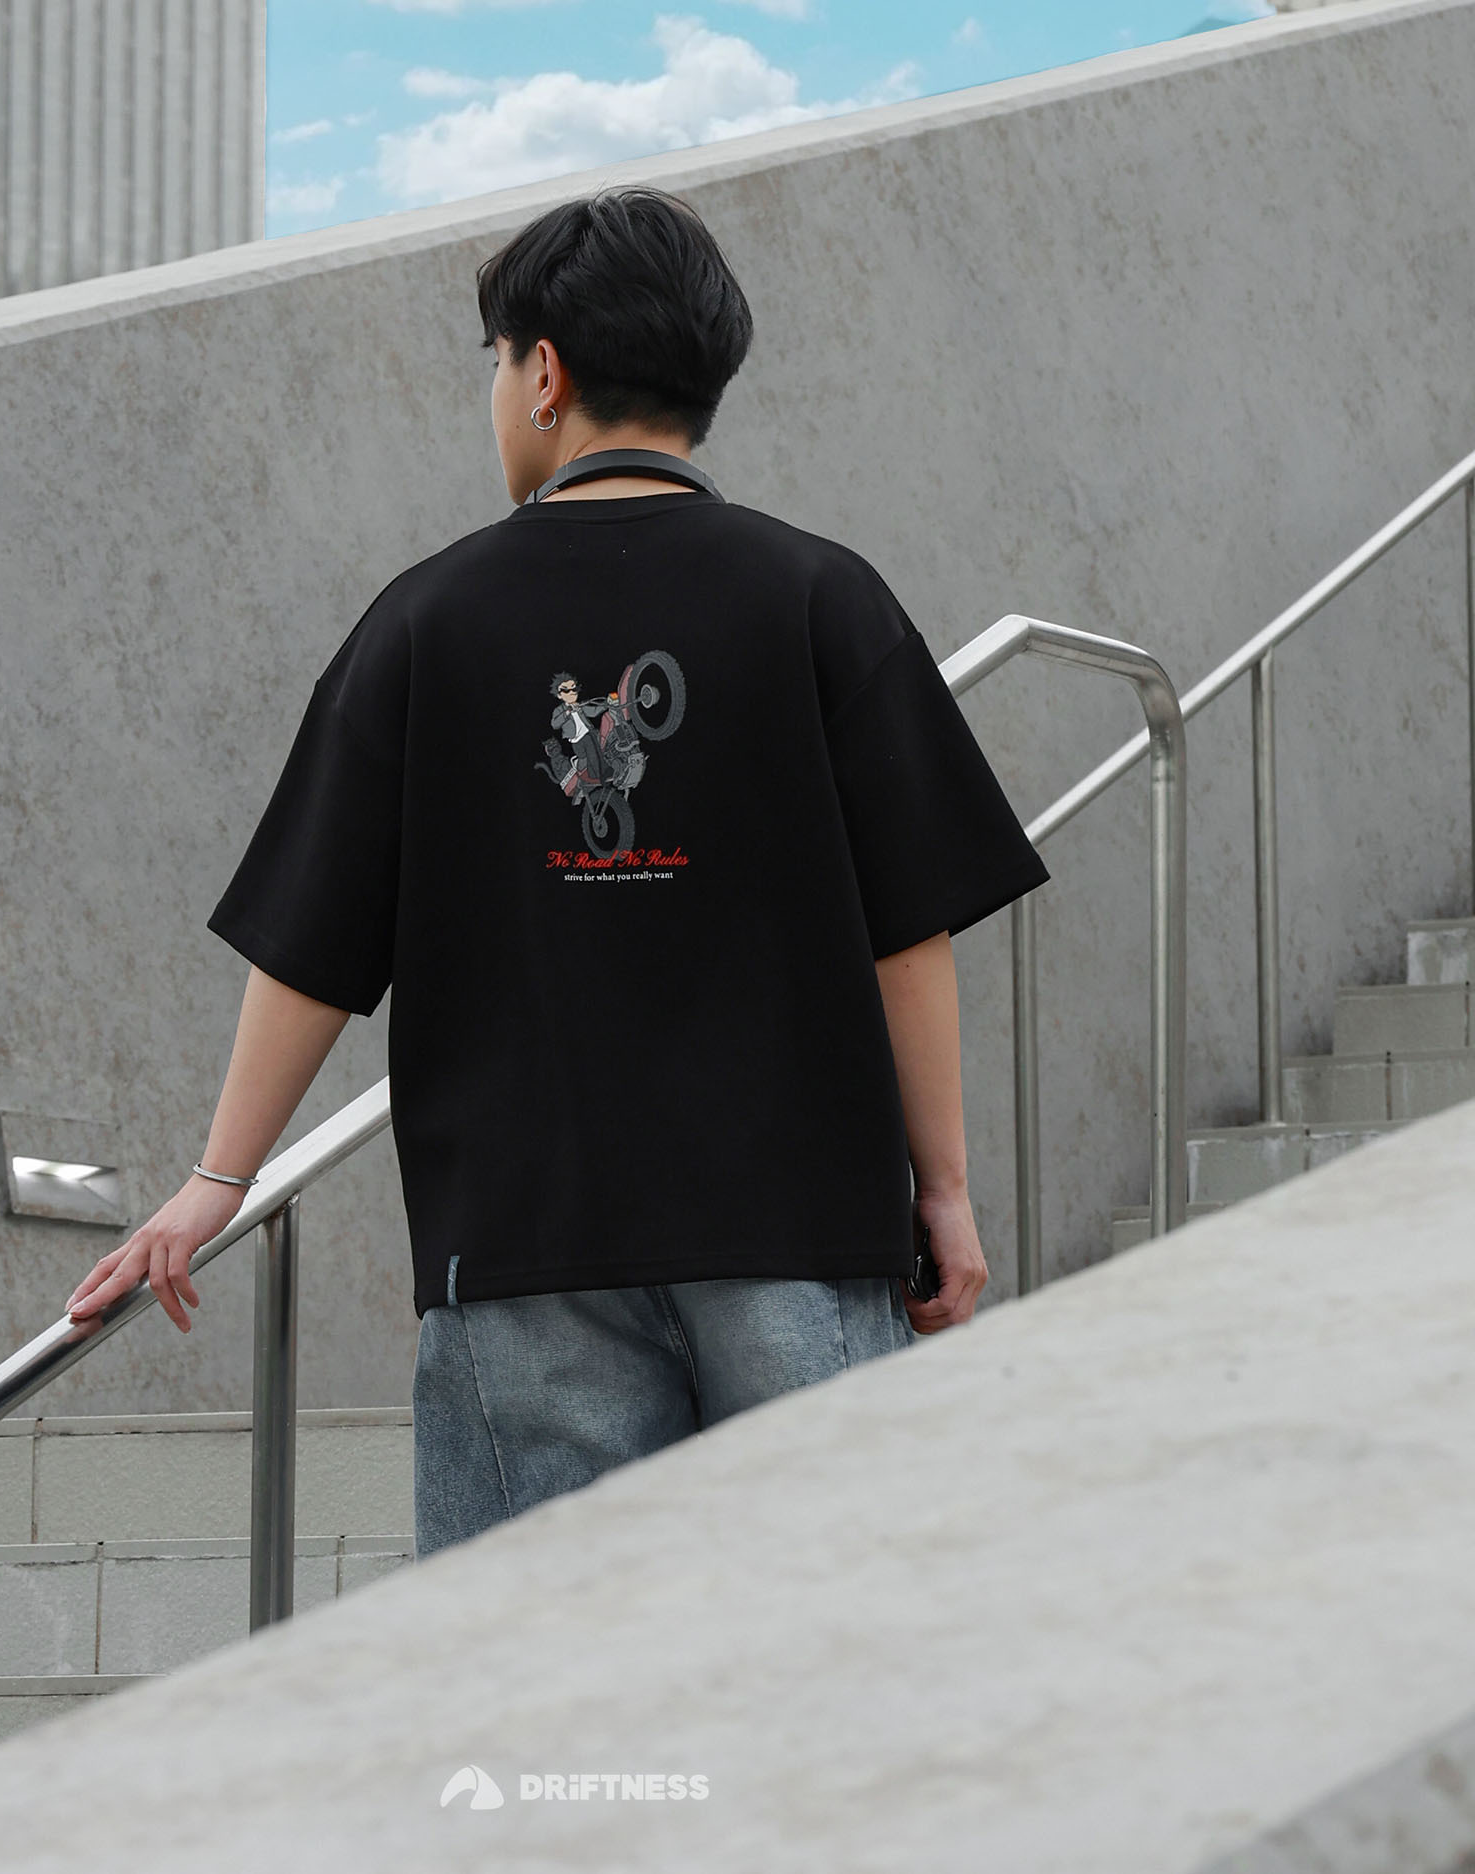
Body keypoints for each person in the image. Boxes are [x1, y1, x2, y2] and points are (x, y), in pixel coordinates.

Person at [67, 188, 1049, 1556]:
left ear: (545, 373)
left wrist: (216, 1181)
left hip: (522, 1250)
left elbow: (312, 941)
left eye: (496, 364)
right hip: (801, 1234)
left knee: (540, 1651)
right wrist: (940, 1190)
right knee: (817, 1637)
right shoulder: (825, 598)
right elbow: (909, 933)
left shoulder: (425, 622)